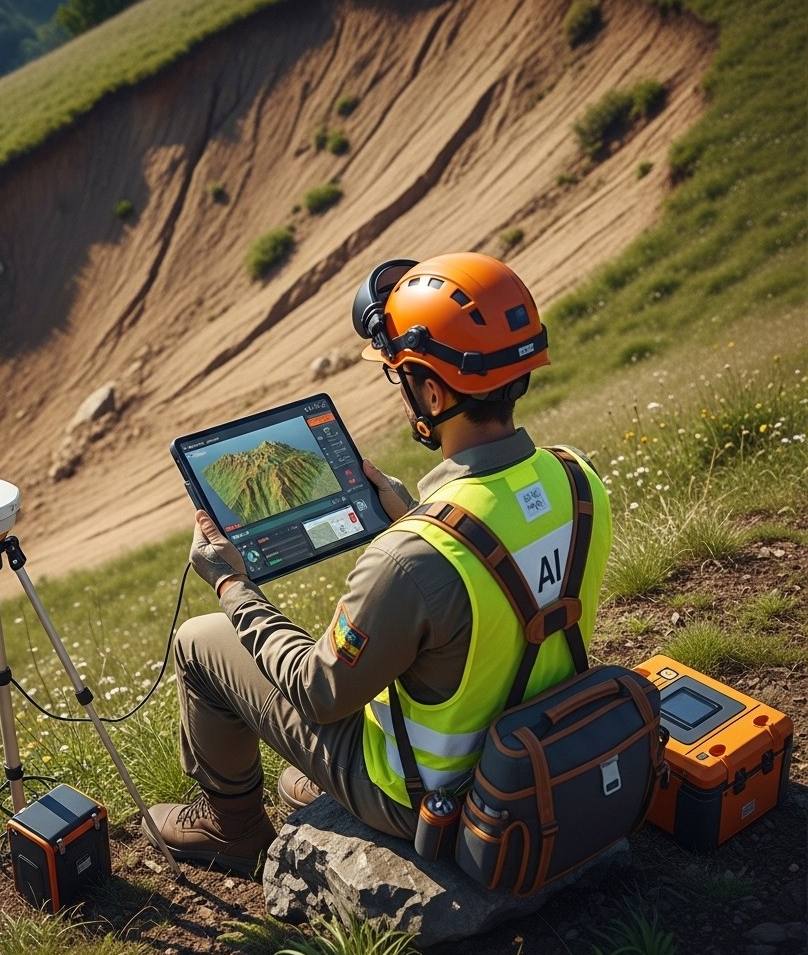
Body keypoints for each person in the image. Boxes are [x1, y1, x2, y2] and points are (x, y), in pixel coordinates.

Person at [142, 252, 612, 874]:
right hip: (532, 746)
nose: (401, 389)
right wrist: (417, 514)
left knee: (201, 640)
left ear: (434, 390)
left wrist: (231, 583)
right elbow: (494, 578)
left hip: (428, 796)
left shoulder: (409, 557)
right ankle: (324, 784)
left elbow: (320, 692)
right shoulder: (578, 480)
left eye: (402, 376)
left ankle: (234, 829)